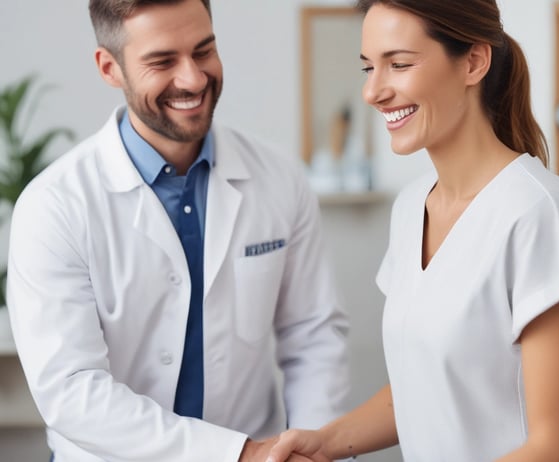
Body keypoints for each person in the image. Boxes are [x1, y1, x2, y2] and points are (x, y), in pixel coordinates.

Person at [6, 0, 351, 461]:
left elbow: (313, 336)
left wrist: (316, 449)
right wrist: (238, 455)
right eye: (162, 61)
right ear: (110, 68)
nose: (192, 79)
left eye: (203, 51)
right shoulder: (54, 207)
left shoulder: (278, 178)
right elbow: (71, 391)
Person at [264, 1, 559, 461]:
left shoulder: (539, 213)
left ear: (473, 62)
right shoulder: (410, 208)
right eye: (369, 67)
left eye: (399, 64)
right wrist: (325, 442)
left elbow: (557, 447)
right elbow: (423, 381)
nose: (372, 91)